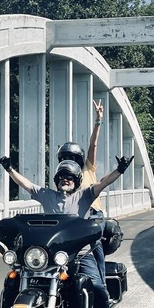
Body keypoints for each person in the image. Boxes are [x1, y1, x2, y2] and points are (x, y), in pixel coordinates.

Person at [0, 151, 134, 308]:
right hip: (50, 256)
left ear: (77, 180)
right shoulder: (47, 195)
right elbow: (26, 184)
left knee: (98, 287)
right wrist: (9, 169)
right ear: (56, 180)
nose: (65, 180)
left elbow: (103, 182)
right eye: (62, 177)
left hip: (80, 253)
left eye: (70, 177)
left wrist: (120, 170)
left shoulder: (85, 195)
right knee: (18, 280)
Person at [56, 99, 109, 290]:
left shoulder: (87, 167)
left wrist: (98, 121)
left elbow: (93, 145)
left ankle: (100, 285)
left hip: (93, 214)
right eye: (66, 158)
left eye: (73, 158)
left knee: (94, 246)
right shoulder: (63, 175)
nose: (70, 161)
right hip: (72, 217)